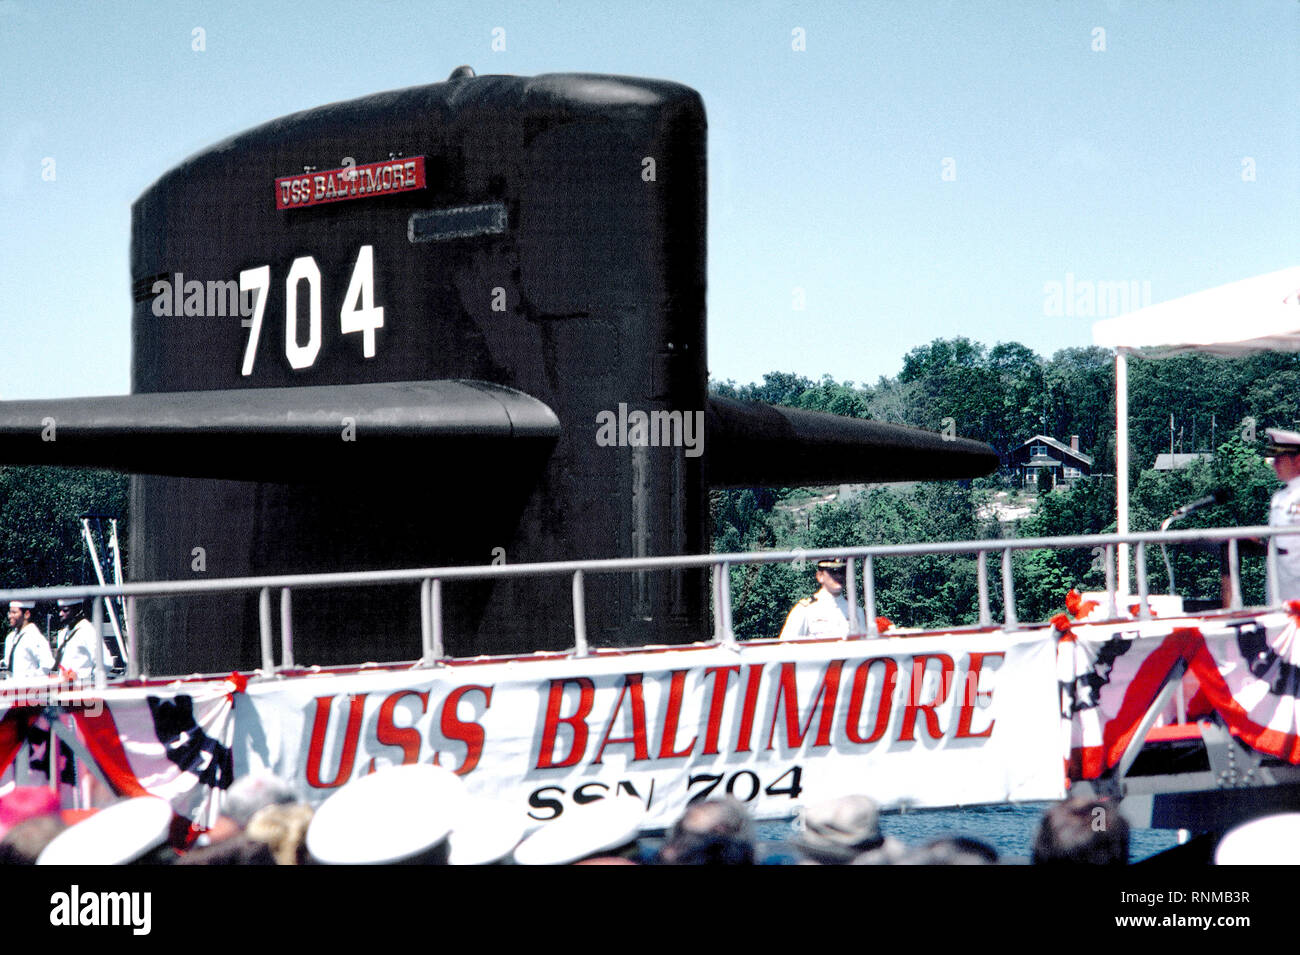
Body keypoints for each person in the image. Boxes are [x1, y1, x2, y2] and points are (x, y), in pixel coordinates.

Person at [779, 559, 866, 639]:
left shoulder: (856, 611)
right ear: (820, 576)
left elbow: (863, 648)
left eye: (842, 572)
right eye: (833, 572)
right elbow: (786, 644)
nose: (839, 576)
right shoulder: (805, 610)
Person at [1266, 428, 1300, 603]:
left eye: (1280, 458)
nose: (1274, 464)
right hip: (1279, 588)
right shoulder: (1280, 496)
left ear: (1298, 460)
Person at [3, 600, 53, 681]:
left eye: (14, 613)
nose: (10, 616)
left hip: (28, 690)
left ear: (26, 614)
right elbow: (8, 664)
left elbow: (47, 664)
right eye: (9, 612)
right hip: (11, 689)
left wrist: (29, 680)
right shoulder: (10, 638)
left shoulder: (34, 637)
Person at [53, 598, 99, 679]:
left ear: (78, 610)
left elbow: (105, 662)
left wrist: (86, 679)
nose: (60, 614)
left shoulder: (87, 630)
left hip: (82, 688)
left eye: (65, 610)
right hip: (64, 687)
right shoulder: (63, 633)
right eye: (59, 610)